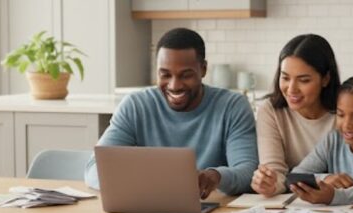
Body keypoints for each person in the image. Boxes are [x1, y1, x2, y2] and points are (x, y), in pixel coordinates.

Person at [83, 28, 257, 197]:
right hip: (145, 209)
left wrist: (216, 176)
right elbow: (94, 169)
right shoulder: (135, 106)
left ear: (203, 69)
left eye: (185, 75)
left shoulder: (233, 106)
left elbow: (248, 172)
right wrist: (145, 185)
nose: (174, 85)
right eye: (165, 75)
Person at [251, 34, 353, 197]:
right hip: (314, 203)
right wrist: (270, 182)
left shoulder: (346, 108)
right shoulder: (272, 111)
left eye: (304, 80)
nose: (291, 89)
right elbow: (284, 176)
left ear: (325, 79)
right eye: (285, 77)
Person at [255, 75, 353, 205]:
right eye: (340, 115)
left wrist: (335, 196)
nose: (346, 125)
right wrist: (326, 179)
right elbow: (295, 176)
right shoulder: (333, 140)